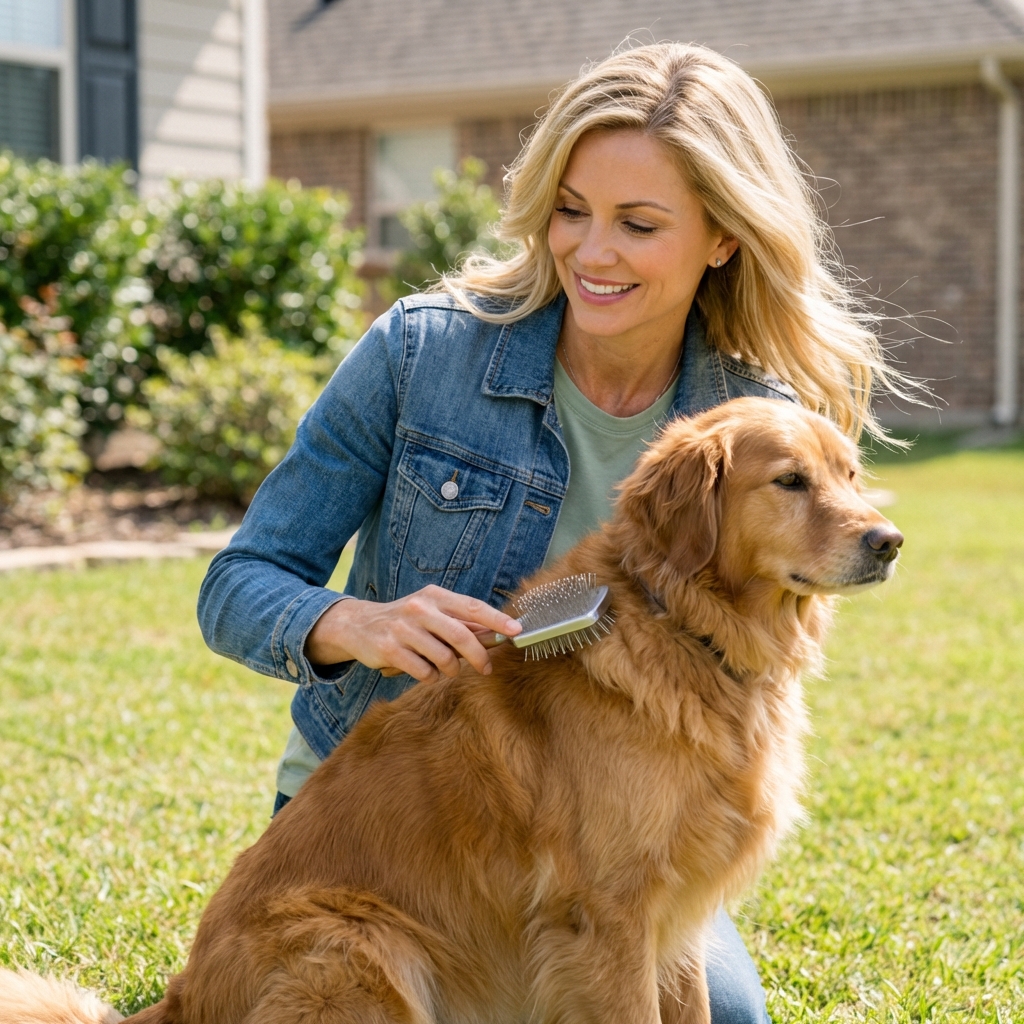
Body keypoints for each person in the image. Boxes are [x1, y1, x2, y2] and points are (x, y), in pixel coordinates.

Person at [198, 42, 901, 1024]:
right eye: (570, 210)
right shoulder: (421, 353)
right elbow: (237, 583)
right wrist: (352, 622)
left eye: (638, 223)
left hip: (614, 813)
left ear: (722, 238)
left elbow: (743, 614)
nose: (590, 252)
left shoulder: (748, 417)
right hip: (391, 835)